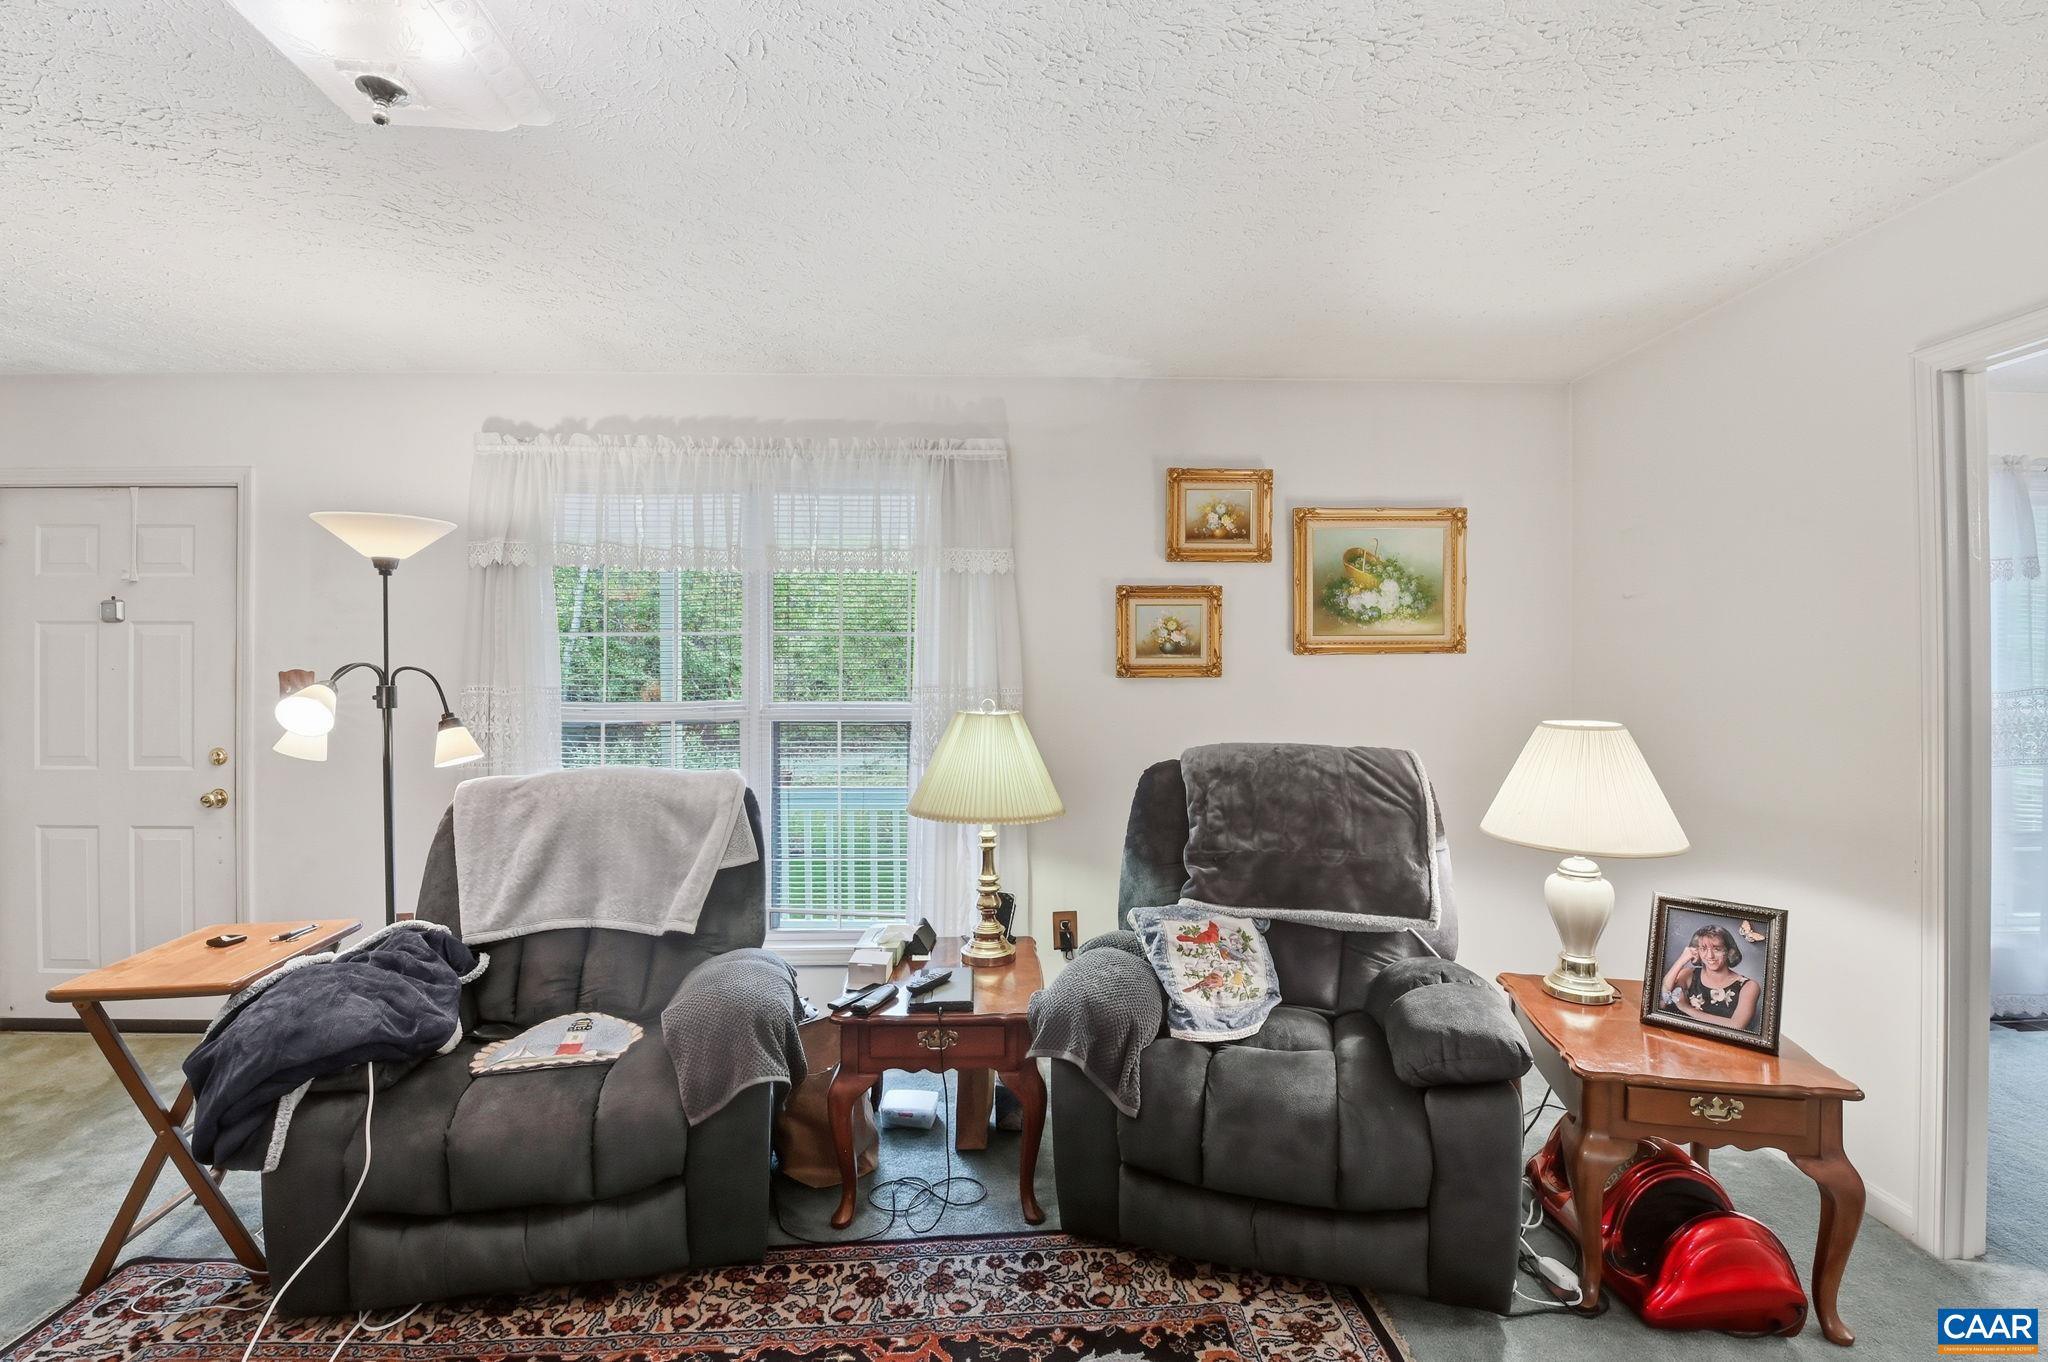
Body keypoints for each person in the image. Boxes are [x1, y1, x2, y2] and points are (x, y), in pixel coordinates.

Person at [1658, 924, 1760, 1032]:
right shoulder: (1688, 974)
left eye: (1717, 949)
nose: (1710, 956)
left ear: (1730, 951)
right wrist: (1682, 959)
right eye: (1703, 949)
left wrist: (1686, 1008)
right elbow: (1665, 997)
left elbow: (1737, 1026)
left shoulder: (1749, 986)